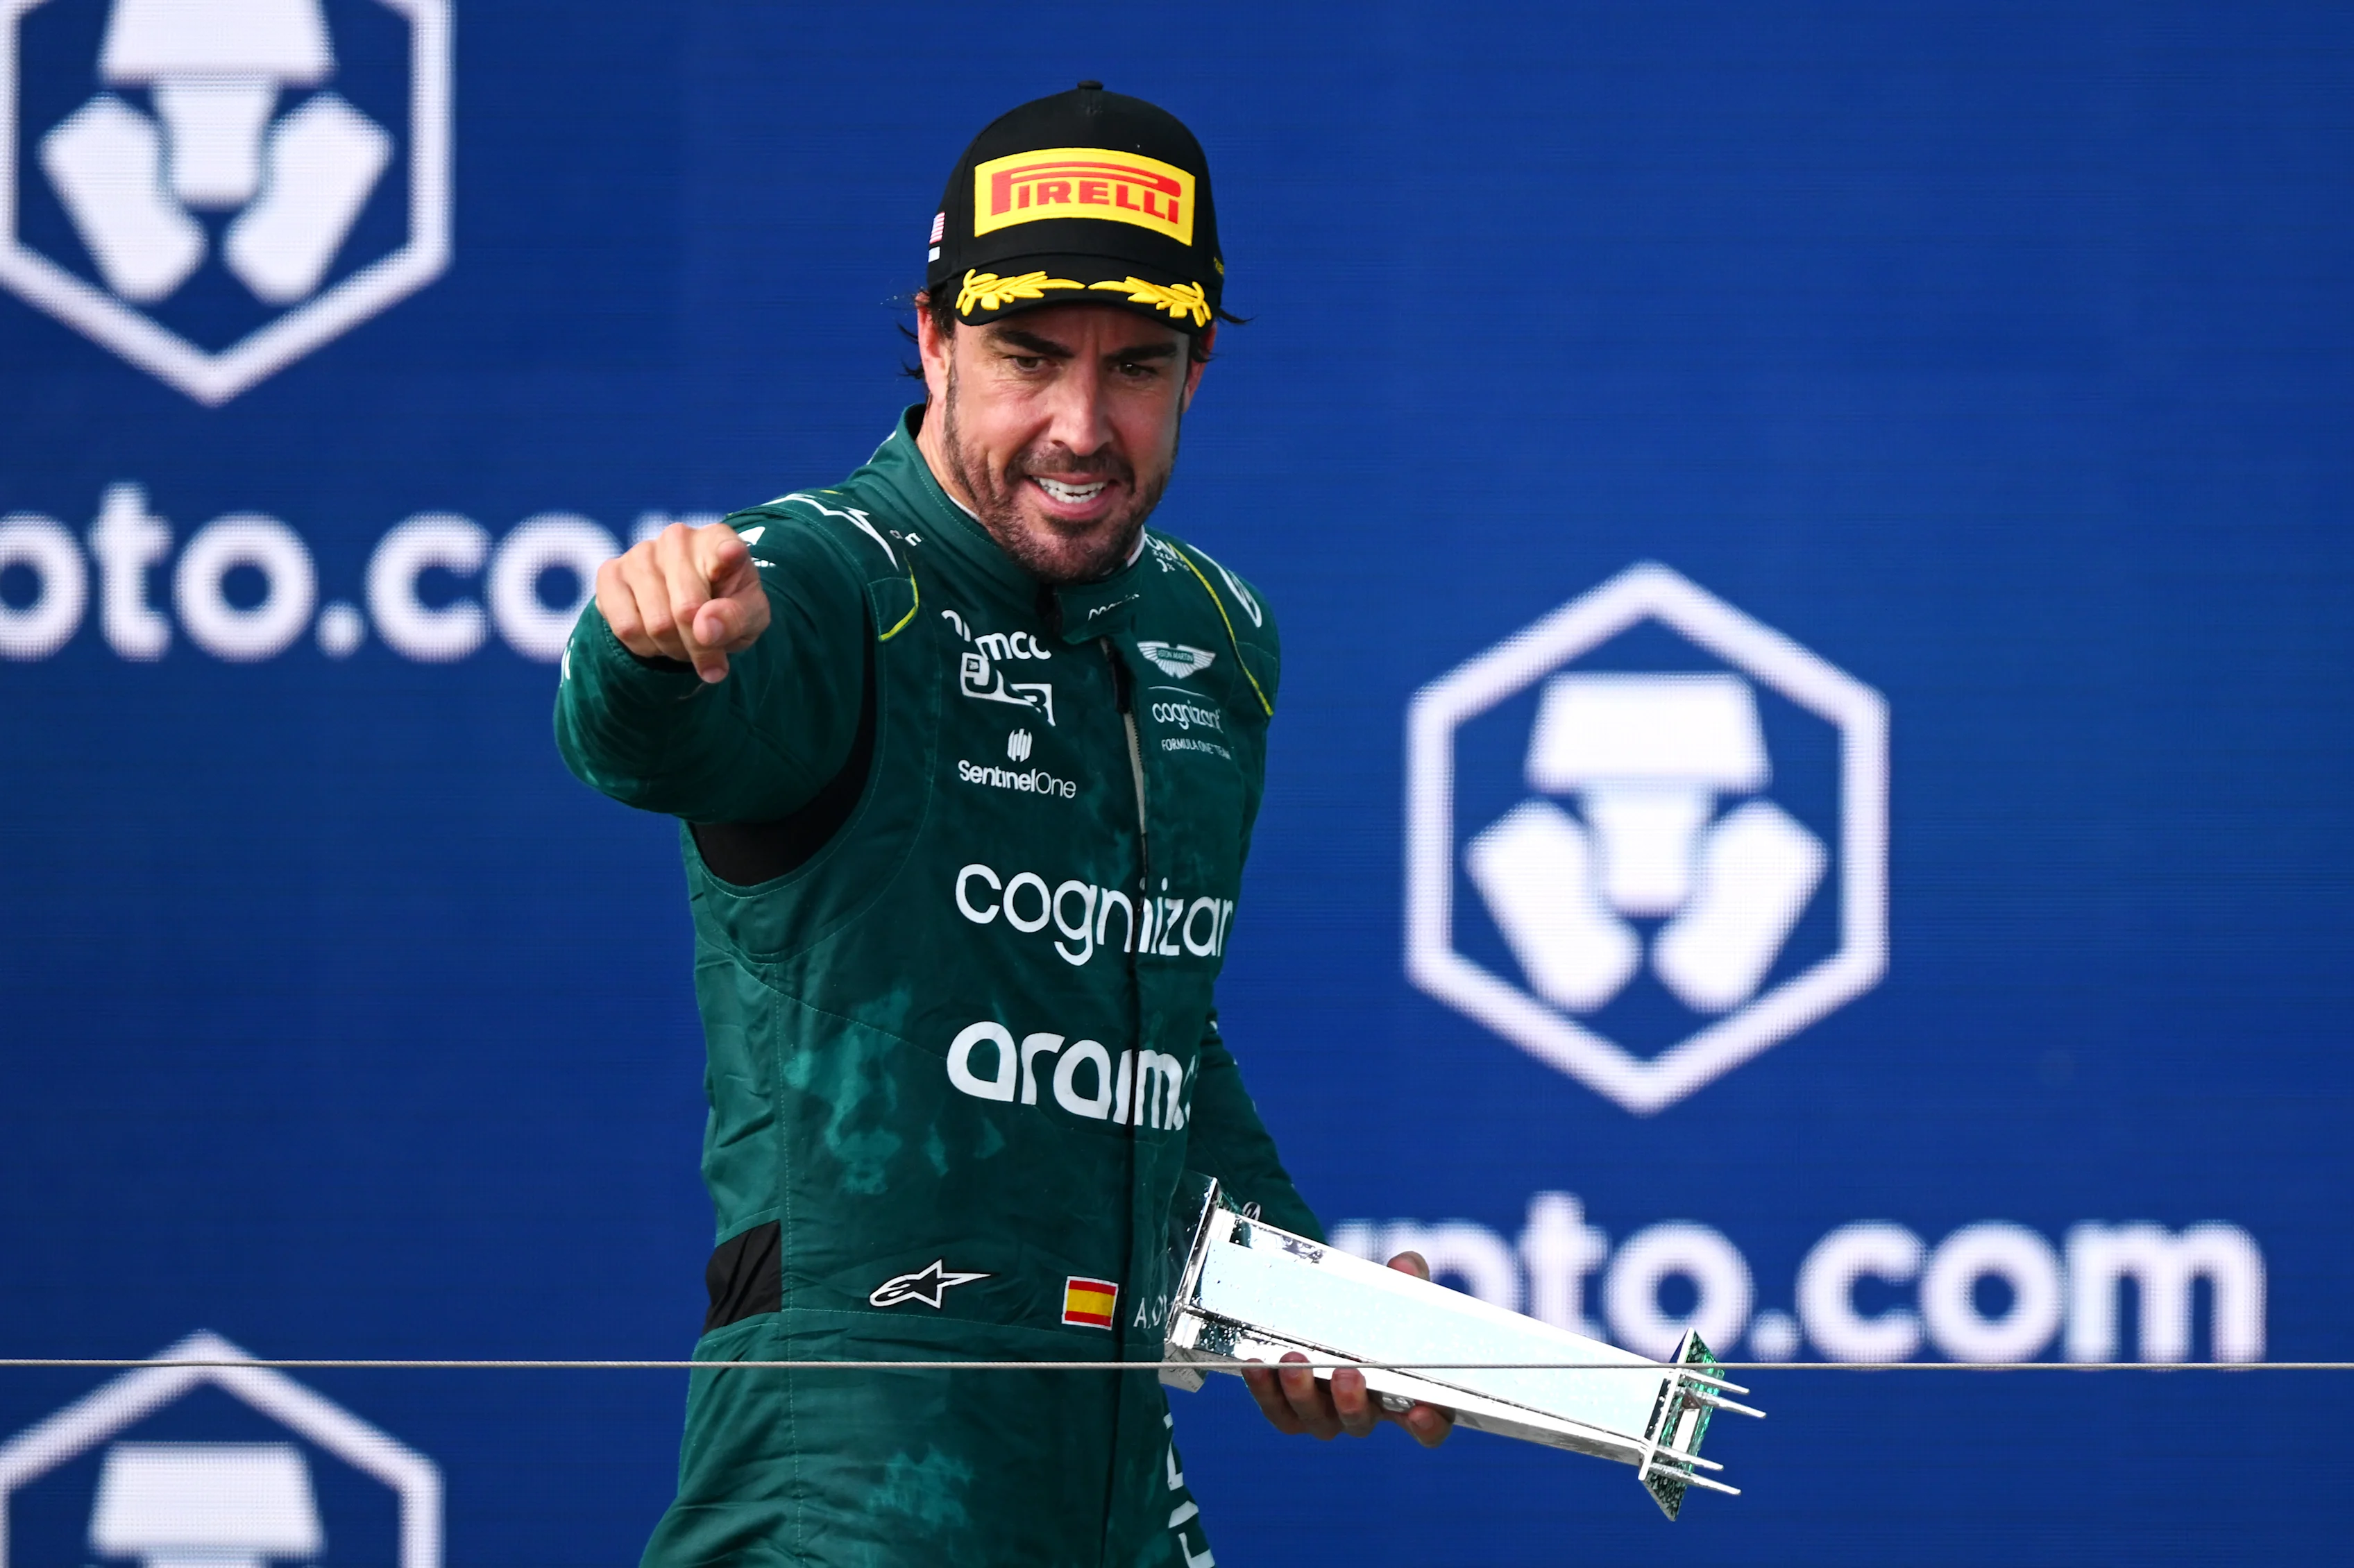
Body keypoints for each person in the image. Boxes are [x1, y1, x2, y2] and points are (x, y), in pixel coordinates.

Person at [556, 83, 1447, 1568]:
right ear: (931, 341)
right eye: (1028, 359)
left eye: (1136, 368)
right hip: (845, 1485)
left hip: (1111, 1485)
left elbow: (1151, 1025)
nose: (1080, 427)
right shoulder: (829, 575)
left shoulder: (1214, 633)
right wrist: (643, 645)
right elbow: (650, 735)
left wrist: (1304, 1297)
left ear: (1197, 368)